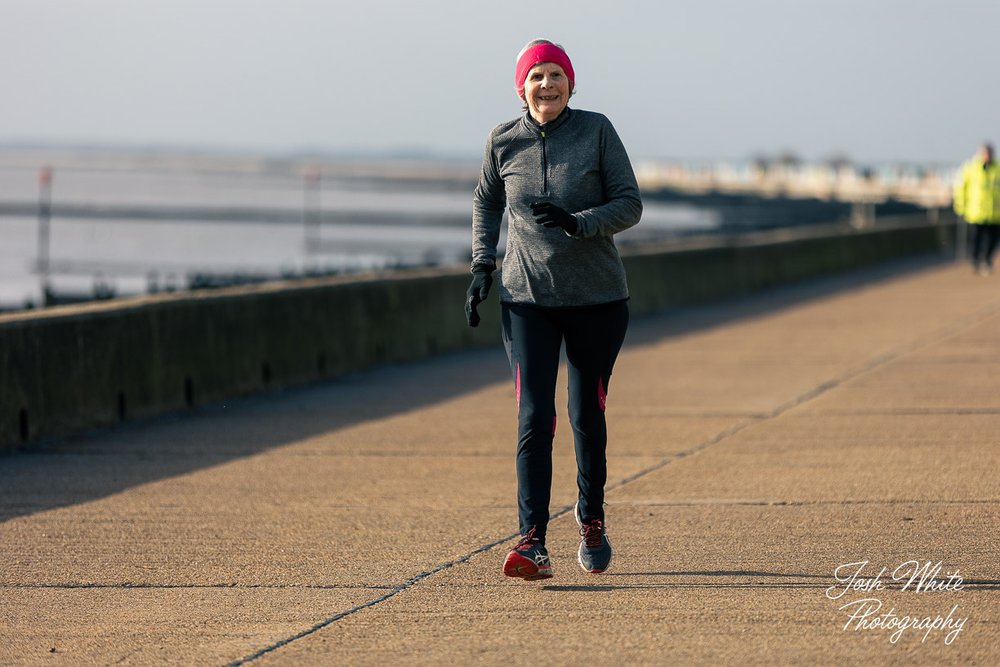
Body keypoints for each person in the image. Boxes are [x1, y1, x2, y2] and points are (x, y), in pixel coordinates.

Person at [465, 38, 642, 580]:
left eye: (555, 75)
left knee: (586, 415)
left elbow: (630, 204)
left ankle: (590, 519)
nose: (547, 85)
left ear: (571, 84)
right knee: (534, 417)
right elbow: (486, 199)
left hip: (596, 300)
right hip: (527, 301)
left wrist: (578, 221)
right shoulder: (503, 140)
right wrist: (481, 265)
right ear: (522, 87)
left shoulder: (597, 131)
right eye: (536, 76)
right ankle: (533, 541)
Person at [954, 143, 1000, 275]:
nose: (987, 156)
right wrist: (960, 207)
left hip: (995, 214)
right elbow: (961, 188)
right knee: (976, 239)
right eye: (985, 153)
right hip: (976, 212)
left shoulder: (998, 169)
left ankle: (987, 260)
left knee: (993, 239)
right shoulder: (970, 168)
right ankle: (975, 261)